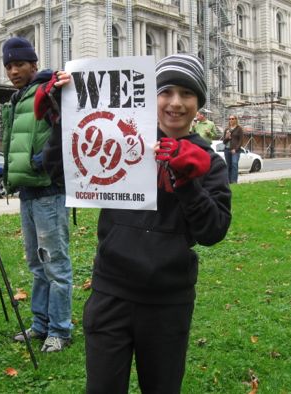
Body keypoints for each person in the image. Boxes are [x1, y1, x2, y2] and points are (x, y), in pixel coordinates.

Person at [35, 54, 232, 393]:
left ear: (198, 102)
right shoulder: (124, 138)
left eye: (187, 94)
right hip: (112, 293)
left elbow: (212, 230)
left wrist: (188, 183)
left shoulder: (208, 161)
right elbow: (61, 174)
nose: (175, 103)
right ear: (151, 97)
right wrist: (61, 121)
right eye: (166, 91)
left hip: (168, 302)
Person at [1, 37, 73, 352]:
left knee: (55, 263)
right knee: (36, 263)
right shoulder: (18, 97)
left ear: (33, 64)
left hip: (49, 189)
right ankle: (41, 325)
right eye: (8, 65)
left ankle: (60, 329)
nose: (13, 70)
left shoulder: (49, 89)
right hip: (27, 191)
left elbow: (72, 113)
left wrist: (63, 82)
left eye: (19, 64)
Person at [222, 114, 243, 184]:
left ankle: (234, 181)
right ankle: (228, 182)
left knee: (234, 164)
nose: (231, 120)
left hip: (235, 150)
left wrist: (236, 149)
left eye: (233, 119)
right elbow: (224, 142)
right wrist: (227, 137)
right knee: (228, 165)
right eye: (230, 119)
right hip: (227, 149)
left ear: (236, 120)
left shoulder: (239, 129)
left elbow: (241, 141)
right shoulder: (227, 129)